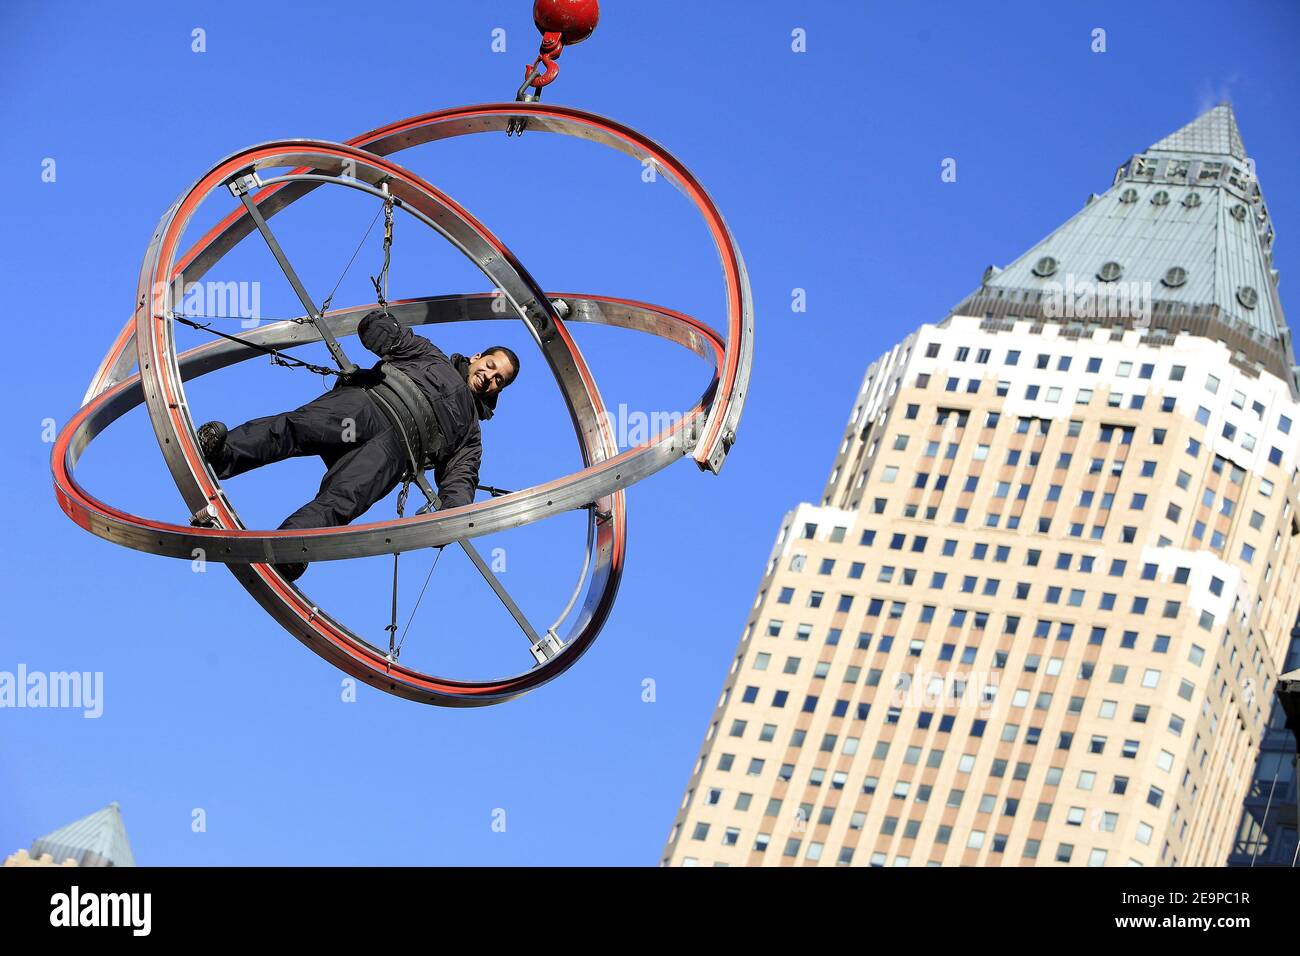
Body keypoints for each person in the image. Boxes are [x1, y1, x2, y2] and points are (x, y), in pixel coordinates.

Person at [196, 309, 519, 582]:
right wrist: (378, 327)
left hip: (396, 450)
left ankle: (292, 544)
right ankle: (223, 454)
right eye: (491, 366)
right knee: (295, 428)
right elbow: (390, 336)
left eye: (499, 380)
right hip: (367, 405)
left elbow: (462, 479)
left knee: (344, 499)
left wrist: (450, 519)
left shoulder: (470, 435)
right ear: (478, 358)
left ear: (498, 391)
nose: (490, 377)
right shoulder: (431, 355)